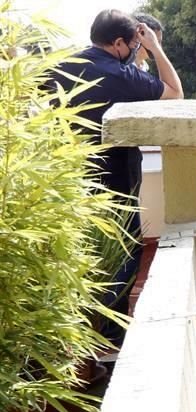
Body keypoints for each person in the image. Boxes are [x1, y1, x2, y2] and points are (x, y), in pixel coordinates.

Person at [49, 9, 183, 346]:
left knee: (79, 255)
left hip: (65, 181)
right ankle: (110, 337)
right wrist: (155, 48)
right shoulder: (119, 75)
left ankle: (74, 338)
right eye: (136, 46)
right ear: (120, 42)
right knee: (121, 252)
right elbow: (174, 93)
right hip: (114, 180)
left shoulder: (59, 65)